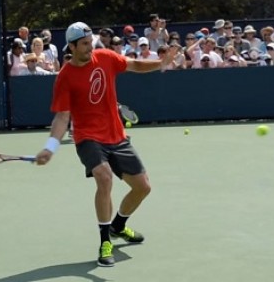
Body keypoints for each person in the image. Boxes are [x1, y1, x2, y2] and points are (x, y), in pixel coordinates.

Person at [35, 21, 173, 267]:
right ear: (72, 46)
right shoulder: (65, 77)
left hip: (116, 136)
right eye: (85, 44)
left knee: (143, 188)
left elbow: (134, 65)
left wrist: (161, 64)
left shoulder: (106, 57)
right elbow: (62, 116)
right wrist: (51, 146)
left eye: (91, 43)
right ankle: (104, 241)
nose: (90, 48)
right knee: (104, 176)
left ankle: (118, 225)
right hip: (88, 137)